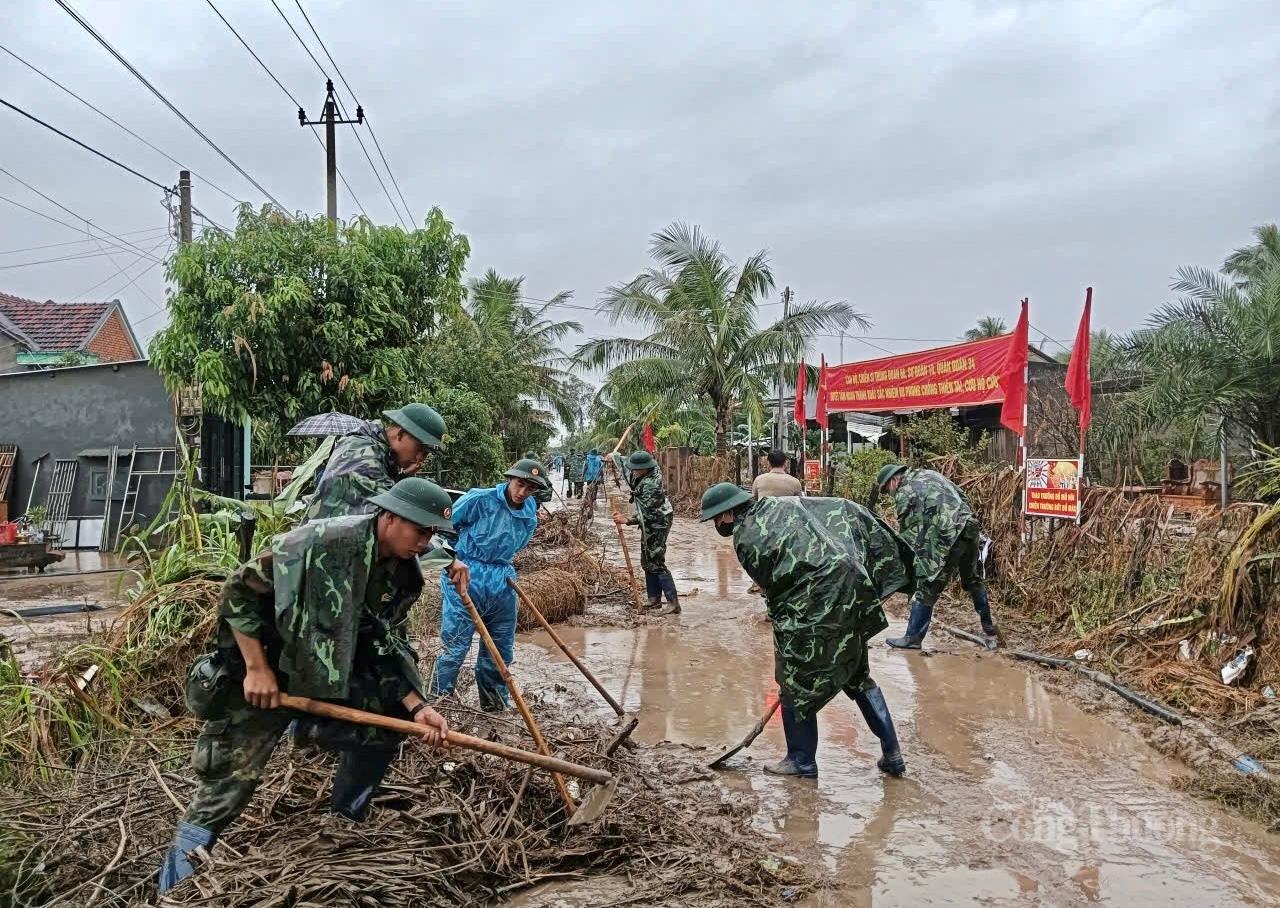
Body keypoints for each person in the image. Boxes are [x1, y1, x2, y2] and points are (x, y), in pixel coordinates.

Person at [158, 478, 459, 893]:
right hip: (266, 672)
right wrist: (257, 668)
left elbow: (380, 643)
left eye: (432, 534)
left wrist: (417, 706)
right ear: (389, 516)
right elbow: (236, 592)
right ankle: (174, 887)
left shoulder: (400, 575)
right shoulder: (320, 541)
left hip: (326, 671)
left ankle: (343, 822)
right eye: (420, 531)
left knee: (386, 723)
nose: (426, 543)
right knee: (230, 780)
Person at [699, 481, 912, 779]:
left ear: (726, 515)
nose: (717, 525)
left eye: (715, 519)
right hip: (852, 588)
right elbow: (838, 509)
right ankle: (893, 753)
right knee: (856, 674)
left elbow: (772, 591)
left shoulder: (746, 538)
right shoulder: (782, 504)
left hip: (817, 600)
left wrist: (784, 629)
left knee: (793, 678)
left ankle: (801, 761)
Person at [430, 458, 547, 710]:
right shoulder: (479, 500)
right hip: (465, 574)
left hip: (502, 580)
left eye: (530, 488)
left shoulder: (529, 514)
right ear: (509, 479)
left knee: (499, 650)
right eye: (519, 484)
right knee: (455, 647)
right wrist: (451, 560)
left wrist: (499, 568)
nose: (522, 492)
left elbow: (518, 545)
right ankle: (438, 706)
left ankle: (494, 707)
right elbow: (442, 528)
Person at [873, 464, 999, 648]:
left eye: (887, 490)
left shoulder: (904, 492)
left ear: (893, 480)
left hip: (949, 537)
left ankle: (912, 639)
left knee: (927, 586)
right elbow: (961, 496)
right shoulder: (930, 474)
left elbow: (908, 533)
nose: (889, 493)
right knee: (972, 579)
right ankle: (988, 625)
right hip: (969, 527)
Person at [307, 403, 447, 521]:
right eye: (420, 449)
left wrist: (402, 476)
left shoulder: (379, 453)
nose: (420, 458)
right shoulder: (363, 453)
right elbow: (393, 515)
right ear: (400, 434)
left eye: (426, 454)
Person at [613, 450, 678, 615]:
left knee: (656, 560)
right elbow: (627, 472)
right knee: (647, 561)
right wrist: (615, 457)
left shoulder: (650, 484)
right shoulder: (643, 474)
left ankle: (673, 603)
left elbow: (649, 512)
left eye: (637, 469)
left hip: (657, 522)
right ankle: (653, 599)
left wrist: (627, 520)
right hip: (651, 520)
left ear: (645, 468)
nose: (634, 471)